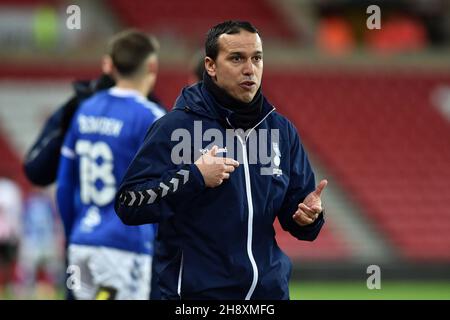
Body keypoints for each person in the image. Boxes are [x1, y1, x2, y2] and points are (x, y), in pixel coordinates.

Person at [115, 20, 328, 300]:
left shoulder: (280, 130)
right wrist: (194, 177)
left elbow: (297, 216)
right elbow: (128, 203)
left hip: (269, 294)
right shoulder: (175, 128)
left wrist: (308, 218)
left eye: (257, 58)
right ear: (211, 66)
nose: (250, 69)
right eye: (237, 58)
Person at [56, 30, 164, 300]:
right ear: (152, 66)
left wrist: (74, 234)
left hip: (82, 241)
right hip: (124, 246)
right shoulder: (151, 117)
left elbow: (64, 184)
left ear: (111, 65)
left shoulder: (86, 109)